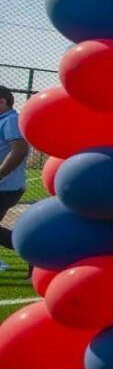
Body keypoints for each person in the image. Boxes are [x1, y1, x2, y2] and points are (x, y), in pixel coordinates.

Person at [0, 86, 29, 265]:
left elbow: (20, 150)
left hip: (5, 187)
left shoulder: (11, 120)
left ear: (2, 101)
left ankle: (34, 251)